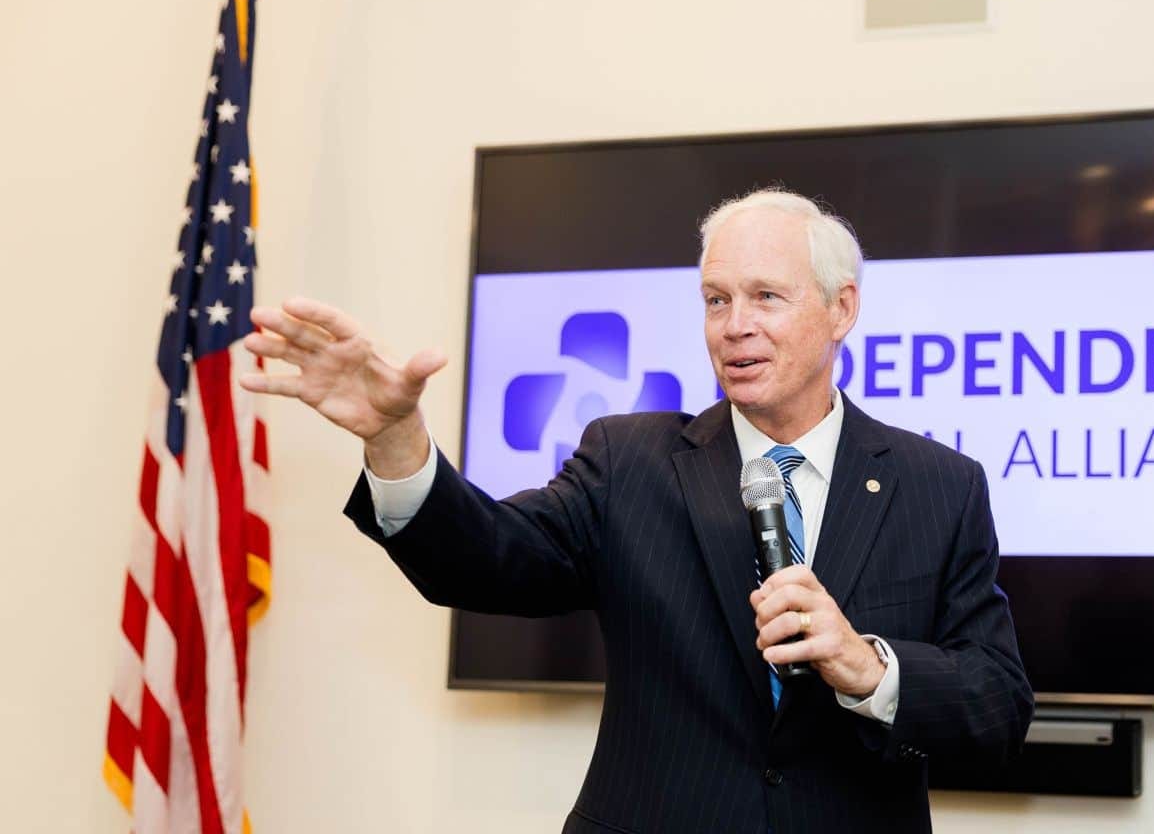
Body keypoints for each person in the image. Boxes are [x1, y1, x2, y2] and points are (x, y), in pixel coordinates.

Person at [240, 189, 1033, 833]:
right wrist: (395, 439)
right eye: (716, 299)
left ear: (841, 309)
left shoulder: (939, 485)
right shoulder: (631, 462)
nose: (735, 326)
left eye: (766, 296)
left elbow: (997, 706)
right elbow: (485, 558)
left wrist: (869, 668)